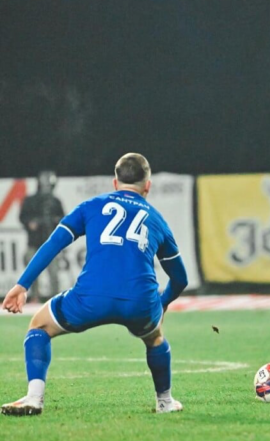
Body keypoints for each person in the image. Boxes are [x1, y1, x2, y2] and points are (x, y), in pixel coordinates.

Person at [1, 153, 188, 416]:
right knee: (155, 337)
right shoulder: (157, 220)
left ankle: (34, 398)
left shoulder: (91, 206)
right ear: (148, 186)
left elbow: (53, 244)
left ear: (115, 182)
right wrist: (162, 303)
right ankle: (165, 402)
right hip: (139, 303)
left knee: (39, 326)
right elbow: (181, 279)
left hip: (91, 298)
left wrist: (23, 285)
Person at [19, 170, 65, 302]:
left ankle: (55, 298)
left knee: (54, 273)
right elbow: (23, 217)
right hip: (34, 242)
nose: (46, 187)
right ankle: (35, 297)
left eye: (48, 185)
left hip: (51, 243)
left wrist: (56, 221)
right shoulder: (30, 200)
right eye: (44, 184)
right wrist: (30, 223)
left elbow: (63, 219)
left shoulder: (55, 201)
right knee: (32, 273)